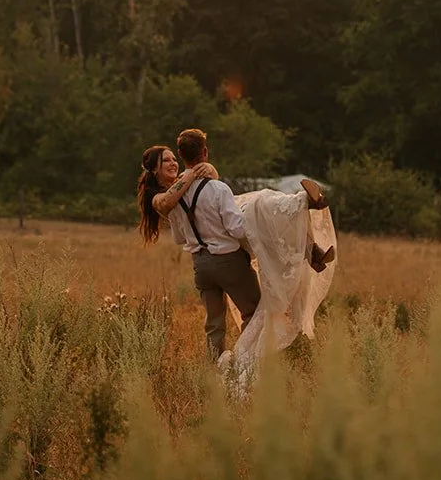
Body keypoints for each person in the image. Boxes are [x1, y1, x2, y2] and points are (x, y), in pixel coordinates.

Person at [137, 126, 336, 378]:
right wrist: (251, 225)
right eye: (165, 160)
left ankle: (213, 371)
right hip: (229, 262)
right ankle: (246, 366)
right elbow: (236, 229)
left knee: (214, 324)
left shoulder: (173, 202)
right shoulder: (215, 189)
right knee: (253, 313)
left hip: (201, 266)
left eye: (173, 158)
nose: (171, 163)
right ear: (205, 152)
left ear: (181, 154)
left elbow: (178, 237)